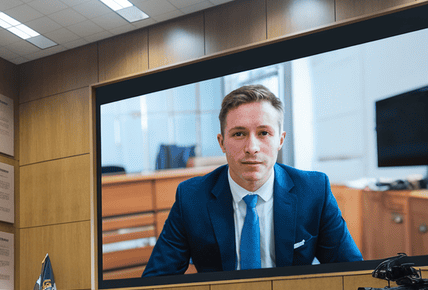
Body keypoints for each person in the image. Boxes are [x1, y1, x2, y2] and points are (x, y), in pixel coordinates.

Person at [142, 85, 362, 276]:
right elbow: (155, 280)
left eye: (264, 133)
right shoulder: (191, 198)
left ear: (280, 140)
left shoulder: (314, 191)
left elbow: (351, 272)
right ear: (222, 143)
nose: (252, 148)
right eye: (239, 134)